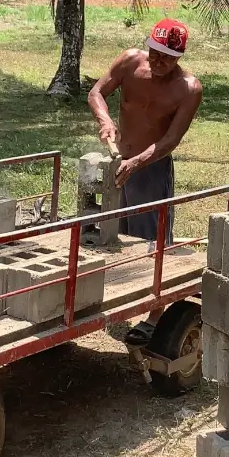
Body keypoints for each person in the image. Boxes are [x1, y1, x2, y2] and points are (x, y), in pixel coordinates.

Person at [87, 18, 203, 344]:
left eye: (167, 57)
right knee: (116, 237)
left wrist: (139, 161)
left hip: (151, 169)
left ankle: (154, 316)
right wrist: (105, 119)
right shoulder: (129, 61)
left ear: (179, 57)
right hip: (118, 163)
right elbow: (97, 91)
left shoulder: (189, 89)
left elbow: (170, 140)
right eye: (155, 53)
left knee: (154, 244)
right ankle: (121, 299)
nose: (158, 61)